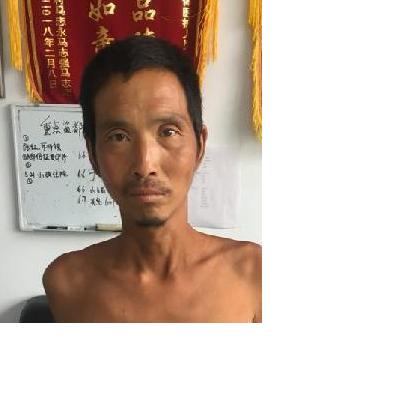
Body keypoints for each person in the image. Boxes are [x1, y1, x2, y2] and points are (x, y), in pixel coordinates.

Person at [42, 36, 262, 322]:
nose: (145, 165)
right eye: (118, 137)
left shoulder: (255, 274)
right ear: (93, 154)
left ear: (200, 146)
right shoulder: (67, 282)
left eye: (168, 132)